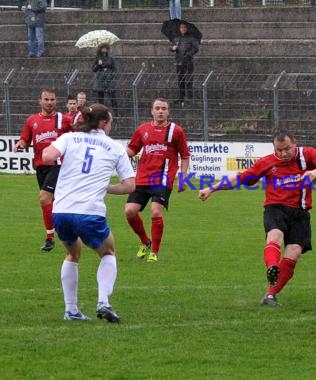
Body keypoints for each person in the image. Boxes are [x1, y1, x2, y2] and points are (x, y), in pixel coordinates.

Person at [198, 130, 316, 306]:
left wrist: (315, 172)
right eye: (279, 150)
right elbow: (240, 178)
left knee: (293, 253)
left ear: (295, 142)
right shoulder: (267, 162)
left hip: (300, 213)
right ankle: (272, 266)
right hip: (275, 208)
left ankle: (270, 295)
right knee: (275, 236)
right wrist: (212, 188)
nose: (283, 153)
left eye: (286, 149)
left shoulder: (307, 154)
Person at [42, 104, 135, 322]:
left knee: (72, 254)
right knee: (108, 252)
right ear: (103, 123)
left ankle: (71, 310)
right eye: (110, 122)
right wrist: (108, 188)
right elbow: (130, 185)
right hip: (89, 212)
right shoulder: (114, 147)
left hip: (61, 210)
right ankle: (103, 302)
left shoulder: (70, 137)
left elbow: (47, 156)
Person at [124, 98, 190, 262]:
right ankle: (145, 241)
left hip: (163, 178)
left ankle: (154, 252)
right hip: (142, 178)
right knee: (129, 211)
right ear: (151, 111)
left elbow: (185, 156)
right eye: (157, 108)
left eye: (164, 108)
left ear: (168, 112)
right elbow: (131, 151)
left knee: (155, 211)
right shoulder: (142, 129)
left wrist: (182, 178)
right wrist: (112, 154)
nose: (160, 111)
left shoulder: (176, 131)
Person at [12, 88, 73, 252]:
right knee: (53, 202)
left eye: (52, 99)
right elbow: (25, 139)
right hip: (40, 166)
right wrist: (20, 144)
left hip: (58, 164)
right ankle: (66, 231)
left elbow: (76, 137)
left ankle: (50, 238)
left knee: (44, 198)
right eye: (46, 99)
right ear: (40, 101)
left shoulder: (63, 120)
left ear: (56, 101)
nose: (49, 102)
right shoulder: (32, 121)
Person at [171, 21, 199, 104]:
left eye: (184, 27)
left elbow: (195, 48)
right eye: (181, 27)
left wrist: (188, 55)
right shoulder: (176, 38)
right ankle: (181, 97)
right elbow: (172, 48)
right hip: (179, 62)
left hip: (188, 62)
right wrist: (173, 48)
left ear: (187, 28)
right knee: (180, 80)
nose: (182, 29)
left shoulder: (192, 38)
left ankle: (190, 98)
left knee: (189, 80)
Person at [92, 43, 118, 114]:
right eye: (103, 48)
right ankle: (101, 113)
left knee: (112, 97)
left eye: (105, 48)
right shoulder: (97, 58)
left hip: (109, 79)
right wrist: (98, 65)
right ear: (100, 49)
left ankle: (116, 112)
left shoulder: (110, 58)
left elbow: (114, 69)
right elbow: (93, 69)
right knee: (100, 98)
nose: (104, 50)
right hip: (100, 79)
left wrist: (110, 76)